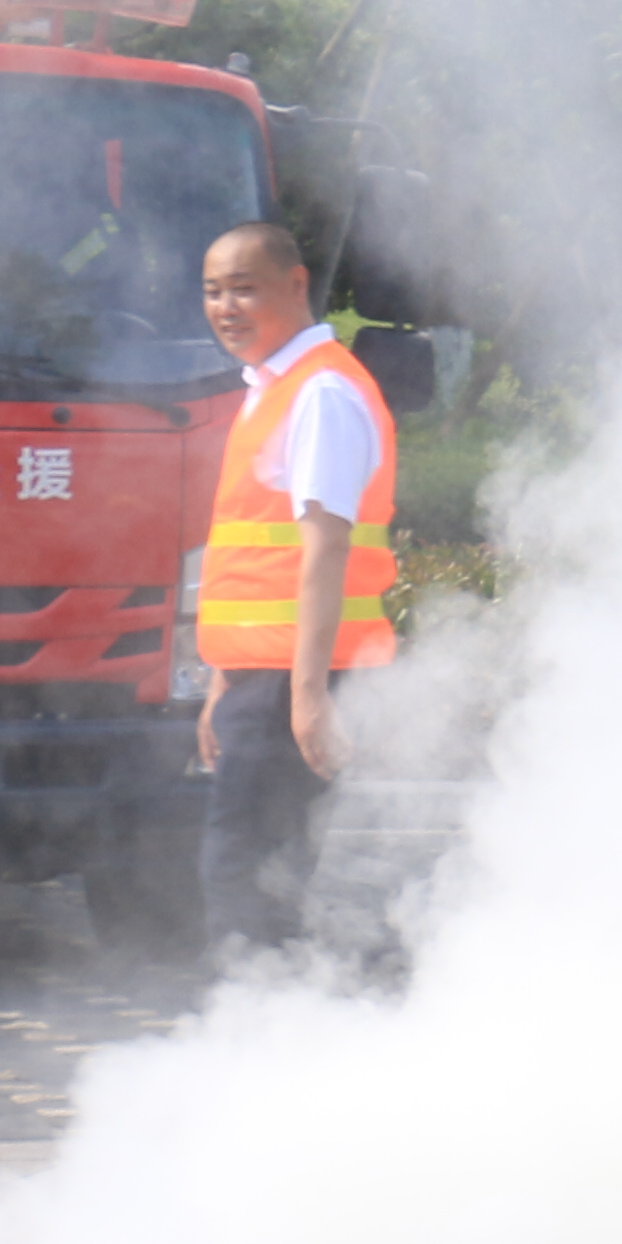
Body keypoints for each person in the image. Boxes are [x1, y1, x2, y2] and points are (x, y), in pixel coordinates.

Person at [192, 222, 399, 955]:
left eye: (244, 288)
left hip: (295, 679)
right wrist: (225, 676)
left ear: (296, 285)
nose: (226, 306)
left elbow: (325, 549)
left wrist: (306, 698)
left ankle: (261, 1031)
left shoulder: (321, 395)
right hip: (264, 677)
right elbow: (259, 563)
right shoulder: (272, 390)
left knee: (250, 874)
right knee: (253, 868)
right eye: (213, 291)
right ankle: (269, 1026)